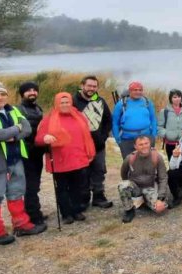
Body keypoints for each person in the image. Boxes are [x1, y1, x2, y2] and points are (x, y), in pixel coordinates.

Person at [0, 82, 46, 244]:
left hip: (16, 158)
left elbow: (27, 130)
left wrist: (13, 135)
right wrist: (16, 128)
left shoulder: (12, 109)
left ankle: (21, 225)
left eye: (2, 94)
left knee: (16, 193)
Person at [36, 92, 96, 225]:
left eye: (67, 102)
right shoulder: (49, 119)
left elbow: (87, 136)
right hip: (60, 161)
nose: (65, 105)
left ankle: (76, 210)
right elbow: (39, 138)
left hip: (78, 159)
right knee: (62, 188)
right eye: (62, 103)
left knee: (78, 187)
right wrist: (45, 138)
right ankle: (66, 213)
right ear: (57, 103)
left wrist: (89, 152)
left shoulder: (79, 116)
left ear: (71, 103)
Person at [73, 75, 114, 209]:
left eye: (94, 86)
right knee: (82, 172)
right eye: (89, 86)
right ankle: (83, 199)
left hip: (98, 145)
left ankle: (99, 197)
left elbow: (108, 120)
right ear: (82, 85)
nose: (91, 88)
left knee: (99, 171)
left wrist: (103, 136)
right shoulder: (73, 102)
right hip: (80, 147)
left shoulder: (100, 101)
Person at [118, 135, 169, 223]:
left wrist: (160, 198)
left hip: (150, 187)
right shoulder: (129, 158)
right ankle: (129, 210)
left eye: (146, 143)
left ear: (150, 144)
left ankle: (144, 201)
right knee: (123, 185)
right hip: (136, 188)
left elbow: (163, 178)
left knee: (159, 209)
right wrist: (129, 189)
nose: (144, 146)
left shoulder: (157, 157)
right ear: (135, 146)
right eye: (141, 144)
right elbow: (123, 174)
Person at [16, 81, 47, 225]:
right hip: (26, 152)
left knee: (35, 183)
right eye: (28, 91)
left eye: (34, 90)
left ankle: (35, 210)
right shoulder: (18, 110)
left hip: (37, 151)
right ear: (22, 94)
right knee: (30, 185)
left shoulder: (37, 108)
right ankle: (33, 215)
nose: (32, 93)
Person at [113, 81, 158, 157]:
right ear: (130, 91)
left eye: (140, 90)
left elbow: (153, 119)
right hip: (127, 139)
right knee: (130, 163)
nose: (138, 92)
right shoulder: (121, 104)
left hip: (146, 138)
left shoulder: (147, 102)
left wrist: (153, 135)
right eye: (135, 90)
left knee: (147, 162)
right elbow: (115, 123)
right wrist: (118, 140)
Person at [157, 89, 182, 160]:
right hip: (170, 143)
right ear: (171, 98)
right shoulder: (164, 111)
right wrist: (166, 134)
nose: (177, 99)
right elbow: (159, 126)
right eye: (175, 97)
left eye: (179, 97)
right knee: (172, 163)